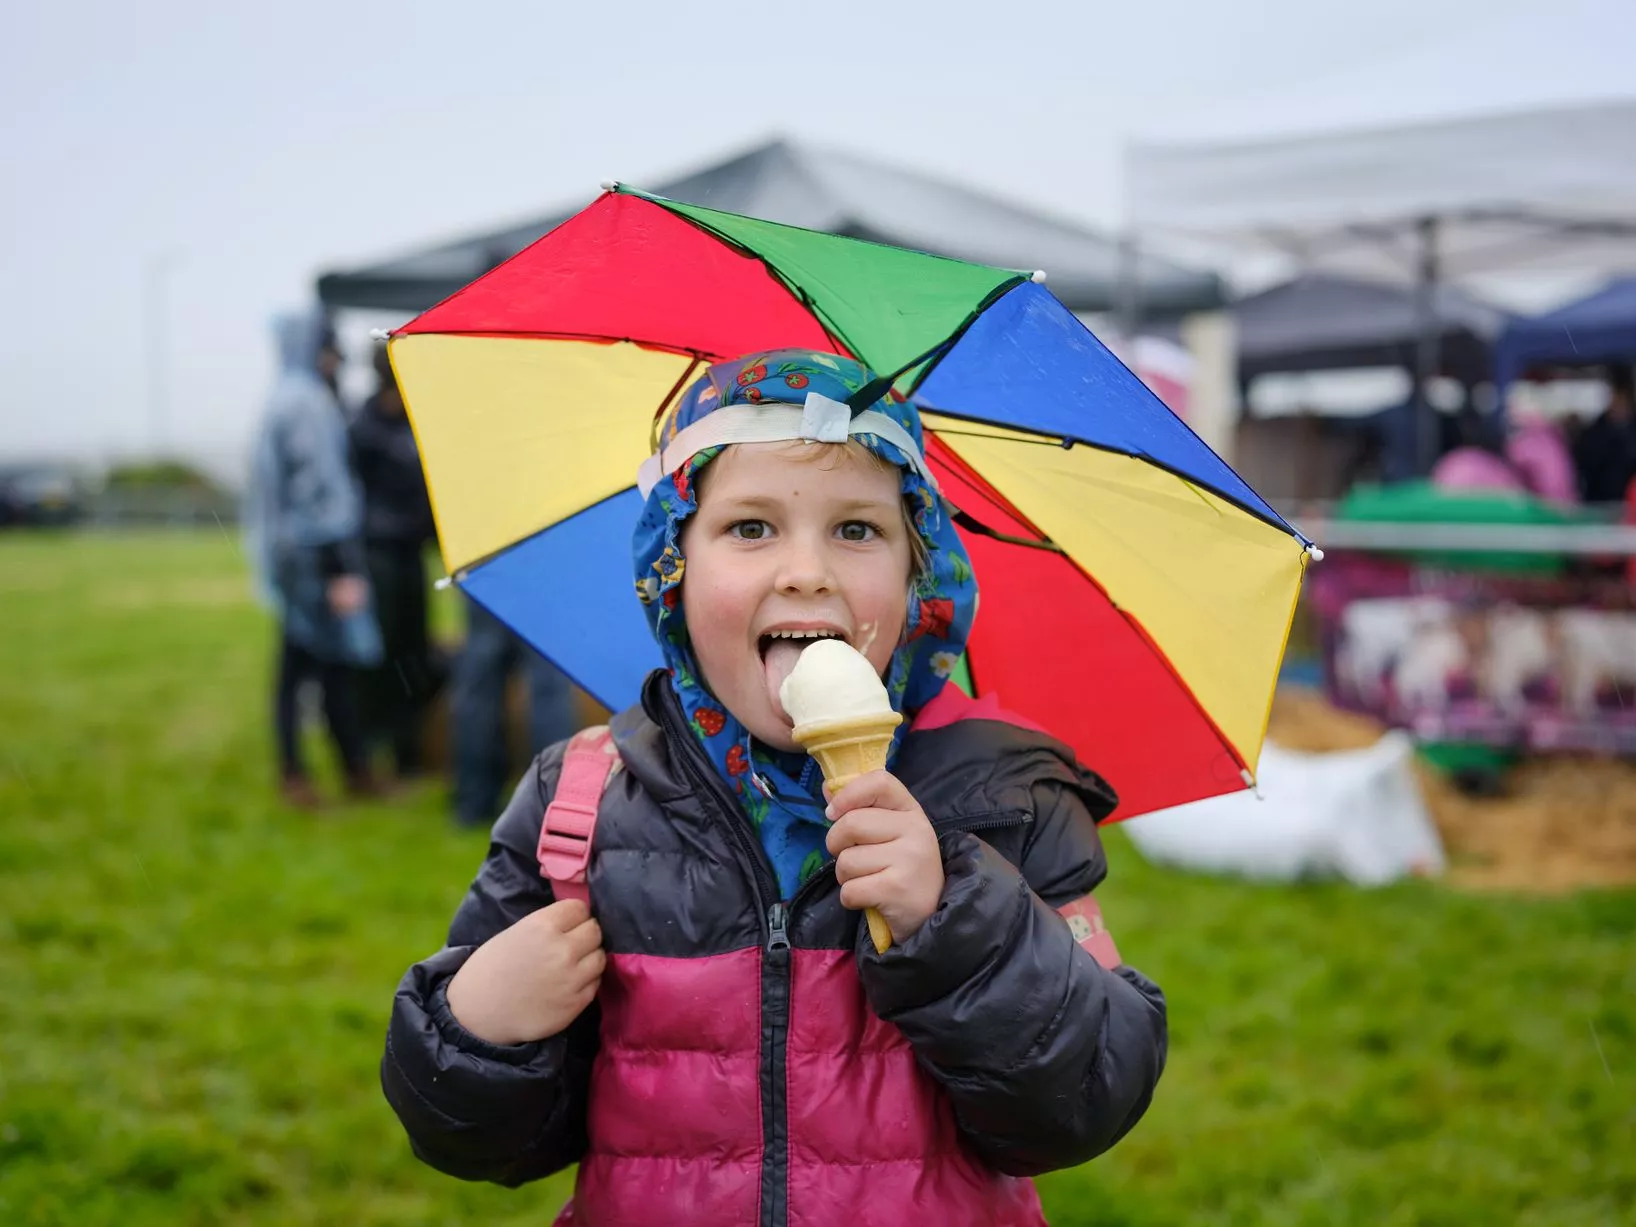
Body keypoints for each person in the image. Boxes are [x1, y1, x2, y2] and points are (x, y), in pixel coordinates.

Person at [381, 350, 1168, 1225]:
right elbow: (480, 1142)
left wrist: (955, 923)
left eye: (857, 530)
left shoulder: (1011, 797)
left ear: (920, 580)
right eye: (750, 528)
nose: (806, 572)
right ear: (672, 570)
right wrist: (474, 1028)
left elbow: (1085, 1100)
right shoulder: (581, 802)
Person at [244, 309, 383, 807]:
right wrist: (340, 568)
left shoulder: (280, 398)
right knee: (330, 668)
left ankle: (313, 771)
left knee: (296, 671)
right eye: (329, 351)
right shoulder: (307, 405)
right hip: (315, 562)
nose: (335, 363)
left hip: (293, 559)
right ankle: (342, 773)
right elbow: (319, 494)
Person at [349, 343, 441, 780]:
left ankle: (409, 752)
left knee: (414, 651)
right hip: (378, 558)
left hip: (410, 558)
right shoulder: (363, 428)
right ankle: (377, 748)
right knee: (381, 658)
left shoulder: (413, 422)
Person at [449, 599, 578, 826]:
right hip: (539, 577)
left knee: (480, 690)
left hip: (481, 571)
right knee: (548, 690)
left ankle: (474, 801)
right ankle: (552, 799)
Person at [1572, 366, 1636, 504]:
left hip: (1629, 502)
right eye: (1616, 396)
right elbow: (1584, 462)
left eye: (1623, 397)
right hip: (1600, 500)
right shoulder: (1595, 432)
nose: (1619, 402)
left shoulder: (1630, 430)